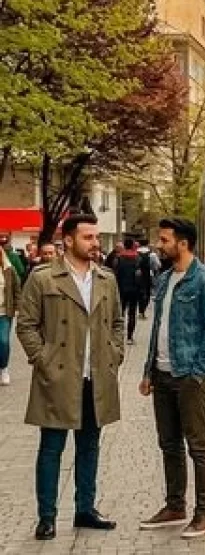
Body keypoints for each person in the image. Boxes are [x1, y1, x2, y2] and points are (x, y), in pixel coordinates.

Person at [15, 214, 123, 541]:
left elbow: (117, 323)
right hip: (59, 377)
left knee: (89, 446)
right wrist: (43, 359)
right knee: (51, 448)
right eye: (88, 237)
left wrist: (115, 354)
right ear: (69, 240)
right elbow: (26, 325)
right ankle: (46, 517)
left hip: (96, 378)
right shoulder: (44, 277)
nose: (95, 243)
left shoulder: (106, 278)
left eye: (97, 237)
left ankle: (85, 509)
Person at [137, 218, 205, 539]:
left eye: (164, 240)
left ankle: (204, 515)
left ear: (183, 243)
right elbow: (157, 329)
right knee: (168, 443)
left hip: (191, 376)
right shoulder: (163, 280)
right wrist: (148, 371)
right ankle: (175, 506)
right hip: (161, 375)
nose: (160, 246)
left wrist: (198, 373)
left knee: (198, 446)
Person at [113, 239, 142, 345]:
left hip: (121, 289)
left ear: (124, 246)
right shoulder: (138, 258)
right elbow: (139, 275)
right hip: (134, 289)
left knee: (120, 313)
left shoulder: (119, 258)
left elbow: (115, 273)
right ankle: (130, 337)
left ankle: (119, 336)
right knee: (132, 313)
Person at [0, 249, 20, 386]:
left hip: (4, 312)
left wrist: (18, 307)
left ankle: (4, 368)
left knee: (3, 341)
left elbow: (16, 288)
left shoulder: (9, 269)